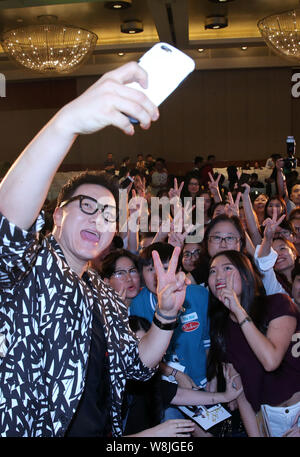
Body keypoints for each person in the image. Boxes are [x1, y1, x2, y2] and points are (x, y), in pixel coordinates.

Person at [0, 61, 193, 437]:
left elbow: (137, 365)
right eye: (87, 207)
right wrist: (66, 122)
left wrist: (166, 317)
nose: (98, 220)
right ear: (58, 214)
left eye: (109, 215)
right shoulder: (29, 267)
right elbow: (6, 224)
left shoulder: (102, 294)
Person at [207, 250, 300, 437]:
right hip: (269, 417)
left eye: (227, 268)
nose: (218, 276)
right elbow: (241, 393)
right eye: (212, 271)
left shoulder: (278, 304)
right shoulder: (222, 330)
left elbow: (270, 360)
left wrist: (239, 311)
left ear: (246, 275)